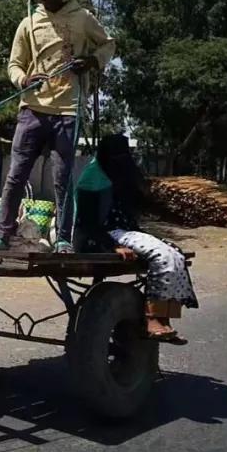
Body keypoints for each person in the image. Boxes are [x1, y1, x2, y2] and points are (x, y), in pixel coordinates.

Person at [0, 0, 116, 254]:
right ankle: (1, 234)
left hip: (67, 112)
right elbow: (14, 64)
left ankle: (62, 238)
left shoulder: (82, 19)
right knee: (15, 175)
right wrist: (23, 80)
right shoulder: (29, 22)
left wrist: (93, 61)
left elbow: (108, 44)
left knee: (62, 179)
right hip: (31, 109)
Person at [76, 134, 199, 343]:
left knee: (175, 254)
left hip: (126, 232)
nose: (122, 159)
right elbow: (86, 223)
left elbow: (143, 205)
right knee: (161, 256)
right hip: (101, 235)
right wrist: (111, 246)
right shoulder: (92, 177)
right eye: (117, 155)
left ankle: (164, 317)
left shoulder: (125, 177)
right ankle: (152, 318)